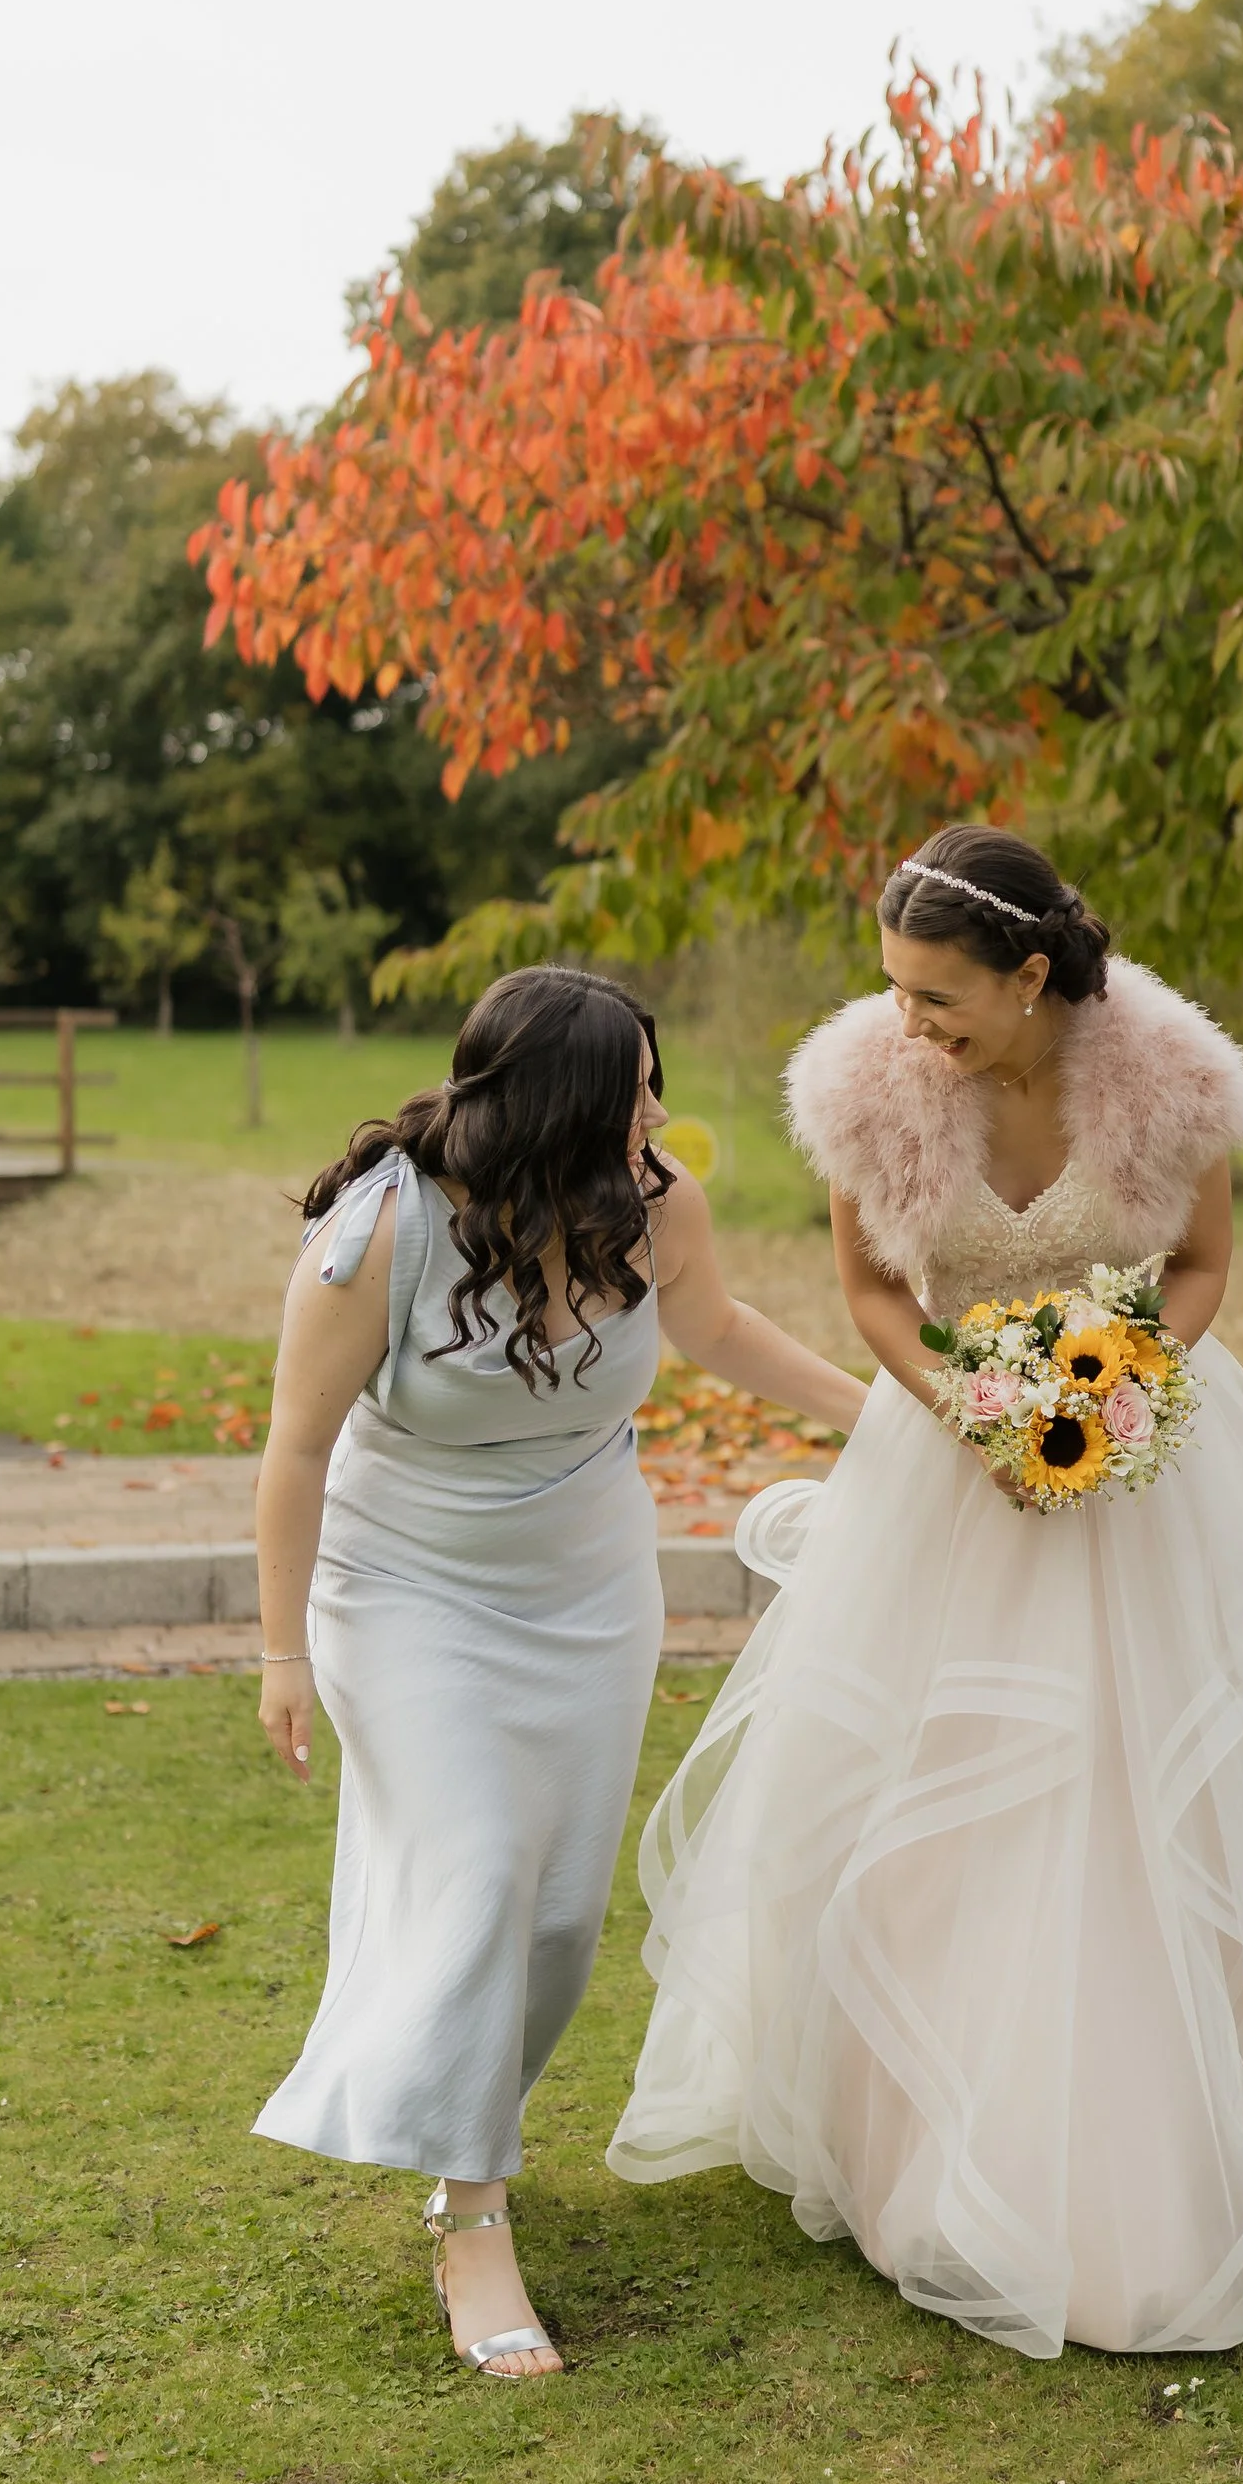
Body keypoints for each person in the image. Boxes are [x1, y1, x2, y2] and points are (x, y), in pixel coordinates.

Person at [605, 826, 1243, 2358]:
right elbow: (866, 1291)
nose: (911, 1025)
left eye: (939, 999)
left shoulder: (1170, 1079)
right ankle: (917, 2144)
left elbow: (1197, 1268)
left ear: (1033, 975)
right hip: (951, 1475)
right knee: (941, 1792)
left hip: (1134, 1482)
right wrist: (972, 1409)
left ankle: (1154, 2145)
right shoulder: (869, 1084)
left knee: (1136, 1791)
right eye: (897, 993)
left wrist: (1110, 1389)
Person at [251, 961, 864, 2380]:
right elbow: (292, 1449)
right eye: (637, 1086)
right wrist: (282, 1650)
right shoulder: (384, 1224)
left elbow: (717, 1330)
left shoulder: (652, 1200)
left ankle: (454, 2118)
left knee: (555, 1921)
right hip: (405, 1588)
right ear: (559, 1103)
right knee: (476, 1865)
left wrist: (892, 1412)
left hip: (587, 1591)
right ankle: (475, 2216)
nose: (660, 1108)